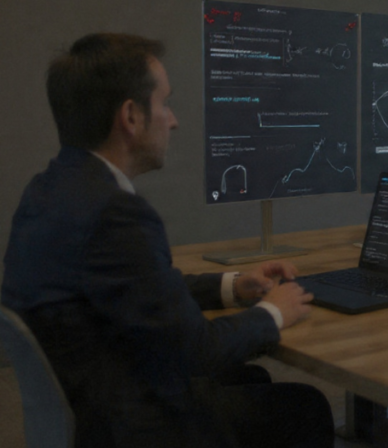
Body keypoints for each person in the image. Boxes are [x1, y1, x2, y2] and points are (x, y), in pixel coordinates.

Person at [1, 33, 334, 448]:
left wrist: (231, 286)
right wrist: (273, 312)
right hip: (129, 426)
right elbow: (196, 351)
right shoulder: (114, 213)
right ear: (131, 116)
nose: (173, 119)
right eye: (164, 103)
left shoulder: (49, 190)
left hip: (94, 396)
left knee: (250, 378)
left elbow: (143, 290)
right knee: (304, 406)